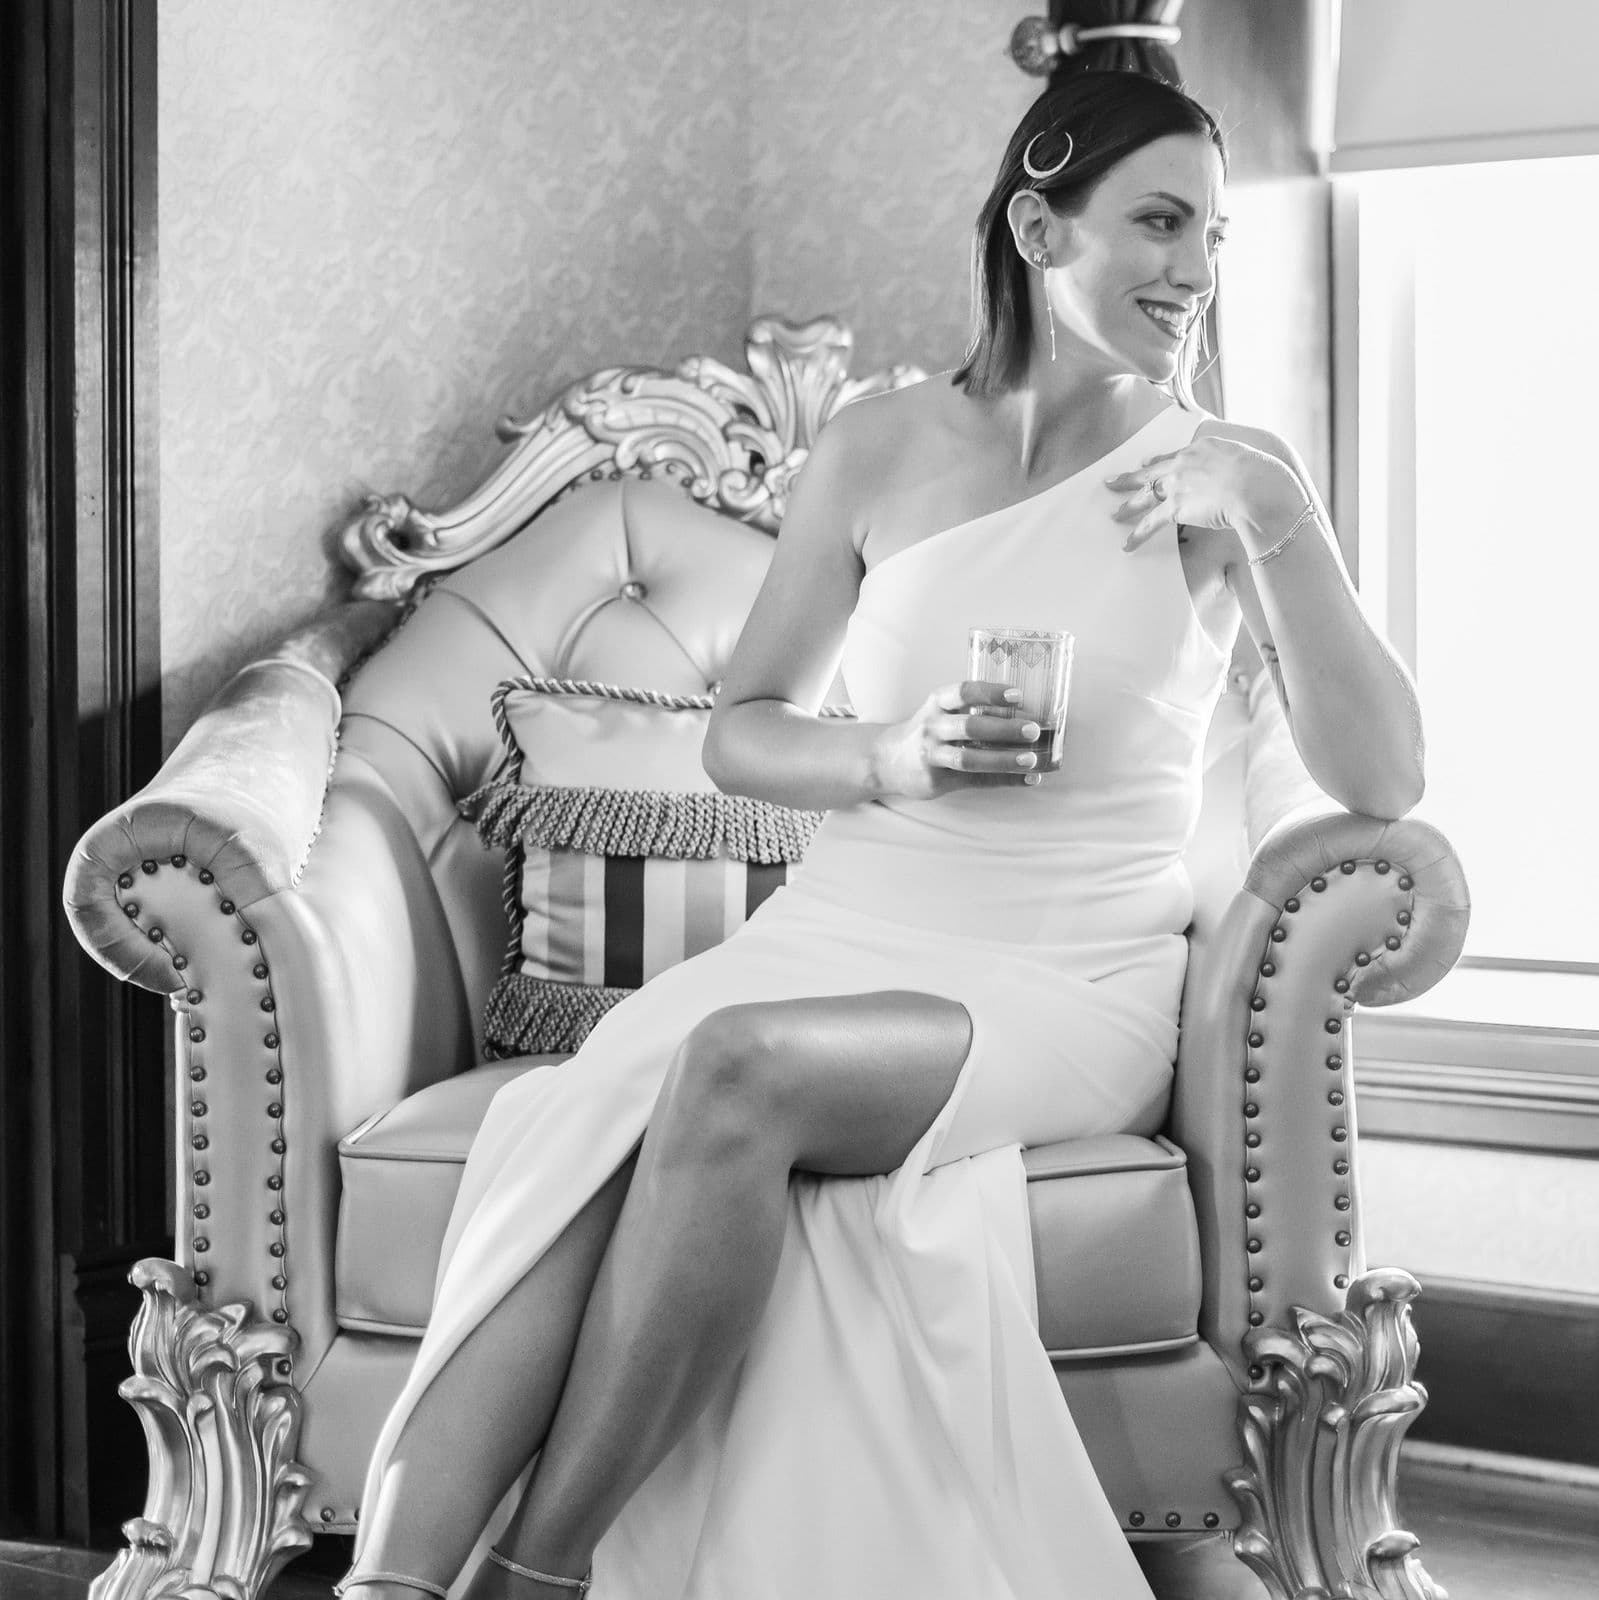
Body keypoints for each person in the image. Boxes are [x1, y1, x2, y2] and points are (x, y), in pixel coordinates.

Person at [336, 56, 1425, 1600]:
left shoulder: (1221, 483)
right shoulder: (880, 444)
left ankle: (540, 1573)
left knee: (725, 1064)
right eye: (1162, 224)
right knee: (573, 1121)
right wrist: (896, 752)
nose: (1195, 272)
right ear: (1042, 232)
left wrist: (1276, 513)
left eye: (1216, 237)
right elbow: (745, 732)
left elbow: (1383, 777)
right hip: (851, 924)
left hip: (1065, 972)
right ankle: (395, 1579)